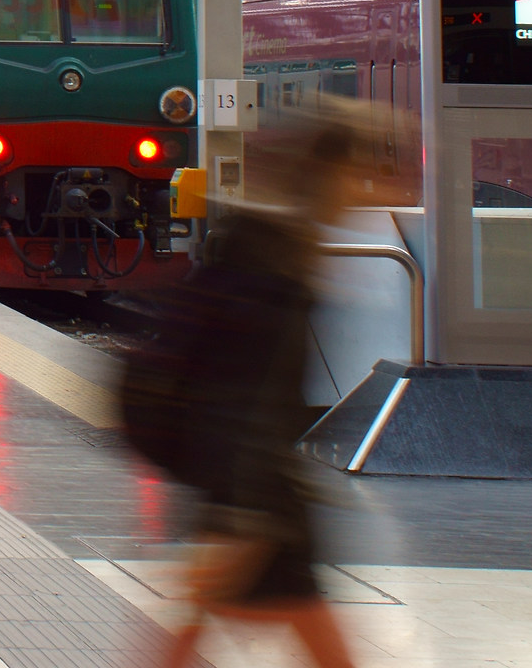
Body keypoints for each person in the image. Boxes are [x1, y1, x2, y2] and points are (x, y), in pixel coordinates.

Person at [152, 113, 367, 668]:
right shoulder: (275, 267)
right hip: (256, 494)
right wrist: (245, 505)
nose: (365, 190)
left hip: (259, 491)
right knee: (211, 612)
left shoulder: (285, 253)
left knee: (209, 615)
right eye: (358, 174)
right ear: (329, 175)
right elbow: (249, 394)